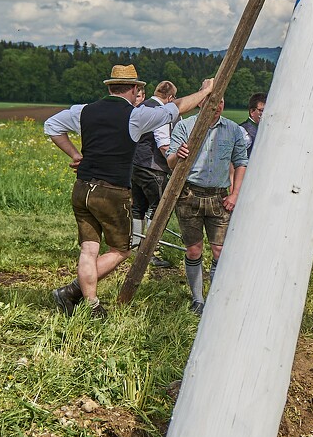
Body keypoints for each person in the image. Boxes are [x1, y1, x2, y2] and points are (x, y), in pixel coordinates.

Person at [44, 65, 213, 317]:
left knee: (89, 249)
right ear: (135, 89)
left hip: (82, 188)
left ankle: (89, 304)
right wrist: (205, 92)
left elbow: (51, 126)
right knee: (121, 250)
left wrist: (75, 154)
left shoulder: (83, 111)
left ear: (110, 87)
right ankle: (72, 291)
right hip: (111, 191)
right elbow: (175, 107)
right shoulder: (135, 116)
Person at [167, 97, 249, 315]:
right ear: (200, 103)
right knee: (194, 250)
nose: (218, 104)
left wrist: (235, 194)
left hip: (220, 197)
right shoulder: (185, 126)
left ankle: (216, 296)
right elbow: (170, 161)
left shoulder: (232, 129)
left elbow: (241, 162)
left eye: (222, 100)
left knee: (219, 250)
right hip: (189, 195)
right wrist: (178, 155)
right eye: (213, 100)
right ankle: (198, 299)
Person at [130, 79, 177, 256]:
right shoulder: (161, 111)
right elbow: (163, 143)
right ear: (171, 97)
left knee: (138, 207)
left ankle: (135, 244)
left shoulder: (141, 106)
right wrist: (173, 164)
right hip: (153, 166)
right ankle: (150, 250)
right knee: (157, 209)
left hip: (135, 165)